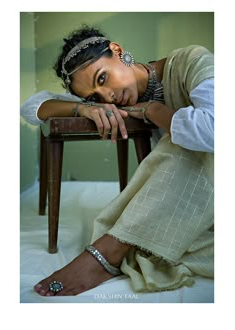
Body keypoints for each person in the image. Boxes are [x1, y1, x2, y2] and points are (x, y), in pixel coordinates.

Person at [21, 25, 214, 296]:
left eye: (103, 78)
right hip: (202, 199)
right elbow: (31, 107)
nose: (107, 97)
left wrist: (153, 110)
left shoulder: (193, 60)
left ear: (117, 51)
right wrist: (84, 107)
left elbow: (214, 130)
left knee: (185, 140)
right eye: (95, 97)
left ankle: (110, 249)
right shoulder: (113, 103)